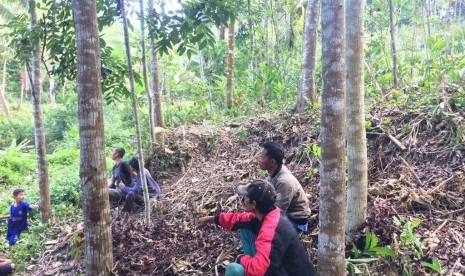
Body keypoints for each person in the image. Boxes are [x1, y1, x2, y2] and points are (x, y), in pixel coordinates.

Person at [198, 179, 316, 276]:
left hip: (285, 272)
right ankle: (255, 260)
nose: (242, 200)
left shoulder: (270, 230)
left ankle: (252, 262)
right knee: (245, 228)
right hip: (281, 266)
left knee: (234, 269)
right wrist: (212, 219)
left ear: (254, 204)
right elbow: (238, 219)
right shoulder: (271, 213)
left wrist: (241, 259)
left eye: (245, 197)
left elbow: (258, 271)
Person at [259, 141, 311, 233]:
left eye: (262, 157)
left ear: (272, 162)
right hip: (287, 218)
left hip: (297, 223)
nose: (260, 160)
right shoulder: (274, 174)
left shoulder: (284, 181)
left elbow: (277, 211)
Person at [116, 157, 162, 224]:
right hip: (155, 194)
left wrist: (123, 188)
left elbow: (135, 190)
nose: (129, 168)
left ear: (133, 167)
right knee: (132, 185)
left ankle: (126, 217)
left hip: (151, 198)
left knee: (130, 194)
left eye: (130, 166)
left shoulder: (141, 174)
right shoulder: (144, 170)